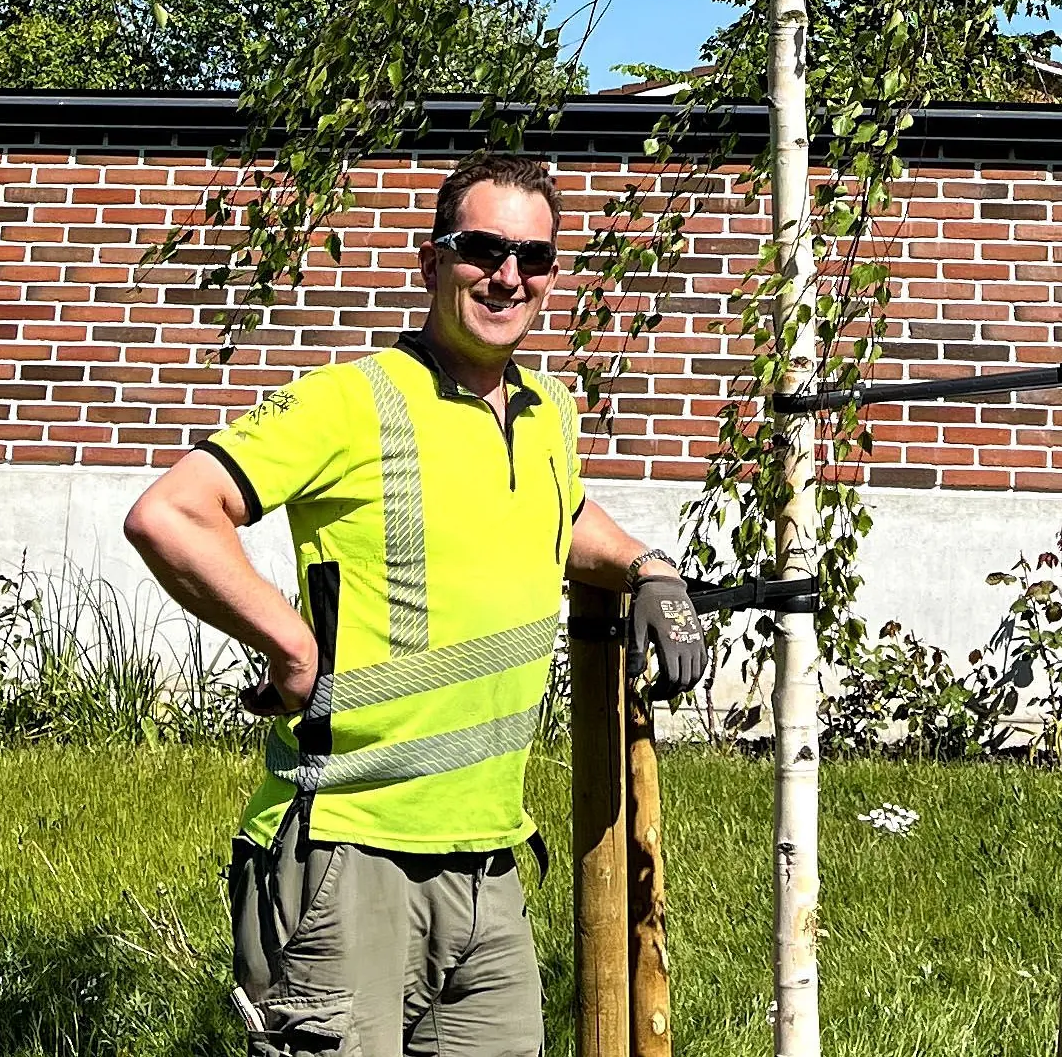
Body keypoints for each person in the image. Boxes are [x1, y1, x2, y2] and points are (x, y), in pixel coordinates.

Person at [126, 150, 708, 1057]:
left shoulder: (548, 407)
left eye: (535, 257)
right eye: (482, 248)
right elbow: (171, 513)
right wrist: (288, 648)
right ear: (430, 260)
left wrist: (647, 566)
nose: (508, 275)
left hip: (487, 860)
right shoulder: (354, 401)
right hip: (347, 852)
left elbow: (561, 511)